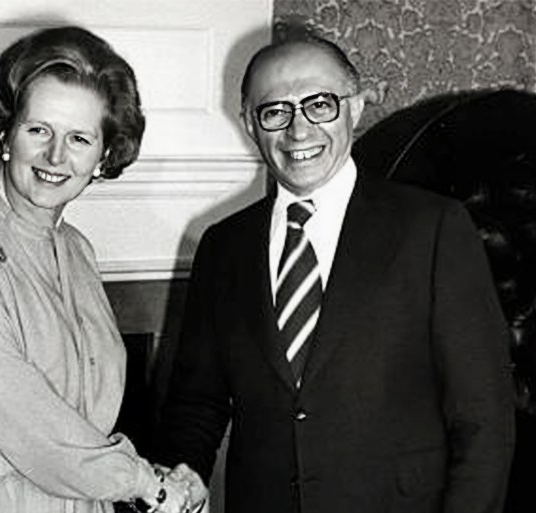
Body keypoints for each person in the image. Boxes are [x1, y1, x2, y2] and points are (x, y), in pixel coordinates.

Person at [154, 25, 516, 513]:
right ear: (249, 124)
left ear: (356, 107)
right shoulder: (223, 247)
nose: (298, 131)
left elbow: (483, 419)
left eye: (320, 104)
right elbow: (197, 401)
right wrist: (184, 475)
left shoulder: (432, 229)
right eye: (275, 111)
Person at [0, 26, 193, 513]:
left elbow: (76, 418)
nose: (56, 156)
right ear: (6, 132)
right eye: (39, 130)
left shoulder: (77, 250)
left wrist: (142, 480)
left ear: (103, 157)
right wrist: (149, 486)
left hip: (81, 498)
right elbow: (25, 418)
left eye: (79, 138)